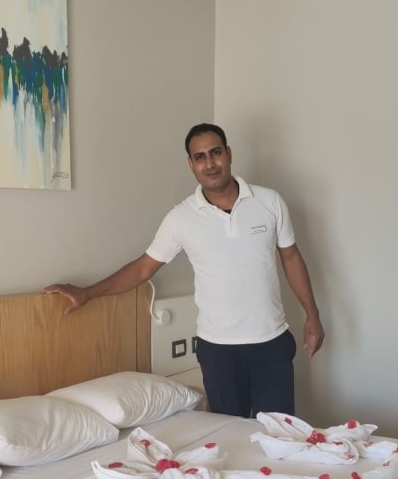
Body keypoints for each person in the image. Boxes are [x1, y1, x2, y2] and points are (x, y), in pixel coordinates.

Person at [44, 124, 324, 417]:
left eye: (215, 153)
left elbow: (291, 258)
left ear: (228, 154)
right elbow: (143, 268)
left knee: (281, 432)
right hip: (218, 349)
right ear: (191, 164)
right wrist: (87, 293)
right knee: (229, 432)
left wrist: (312, 314)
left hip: (271, 341)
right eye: (200, 157)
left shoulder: (269, 201)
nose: (210, 163)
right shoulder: (181, 218)